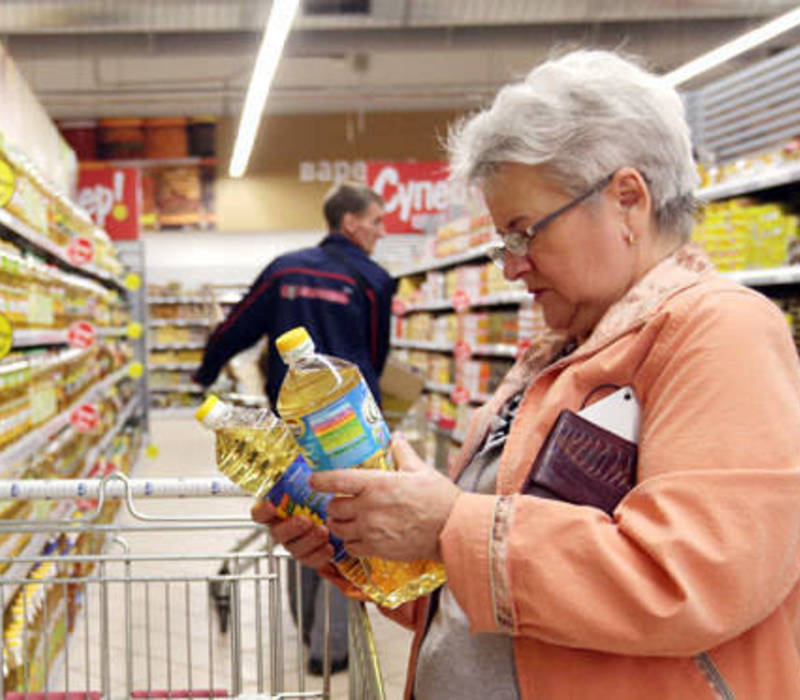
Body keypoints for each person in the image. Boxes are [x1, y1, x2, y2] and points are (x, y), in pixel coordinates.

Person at [252, 48, 800, 699]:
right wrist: (367, 543)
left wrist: (449, 522)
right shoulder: (557, 354)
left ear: (628, 199)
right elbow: (494, 597)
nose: (511, 267)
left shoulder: (720, 332)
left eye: (523, 232)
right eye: (502, 241)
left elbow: (692, 576)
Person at [194, 180, 397, 675]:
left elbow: (236, 326)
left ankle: (311, 634)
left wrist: (204, 373)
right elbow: (376, 352)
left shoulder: (286, 269)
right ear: (351, 223)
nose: (382, 232)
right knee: (350, 526)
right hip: (353, 430)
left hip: (295, 431)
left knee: (302, 521)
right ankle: (333, 644)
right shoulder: (373, 279)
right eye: (376, 221)